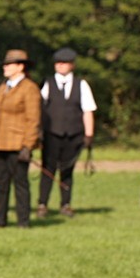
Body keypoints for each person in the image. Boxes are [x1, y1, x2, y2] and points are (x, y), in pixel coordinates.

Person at [37, 47, 96, 219]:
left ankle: (65, 204)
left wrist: (89, 135)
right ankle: (42, 204)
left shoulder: (81, 85)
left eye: (64, 63)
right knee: (48, 170)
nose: (61, 66)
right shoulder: (47, 83)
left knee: (67, 171)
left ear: (72, 65)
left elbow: (88, 110)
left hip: (73, 134)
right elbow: (39, 109)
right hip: (51, 134)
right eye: (58, 63)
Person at [0, 49, 41, 228]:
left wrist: (28, 145)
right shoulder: (3, 87)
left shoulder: (29, 88)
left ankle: (23, 221)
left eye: (9, 64)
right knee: (0, 182)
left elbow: (33, 119)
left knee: (20, 184)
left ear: (20, 67)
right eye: (5, 64)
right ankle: (0, 219)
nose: (5, 67)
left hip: (18, 144)